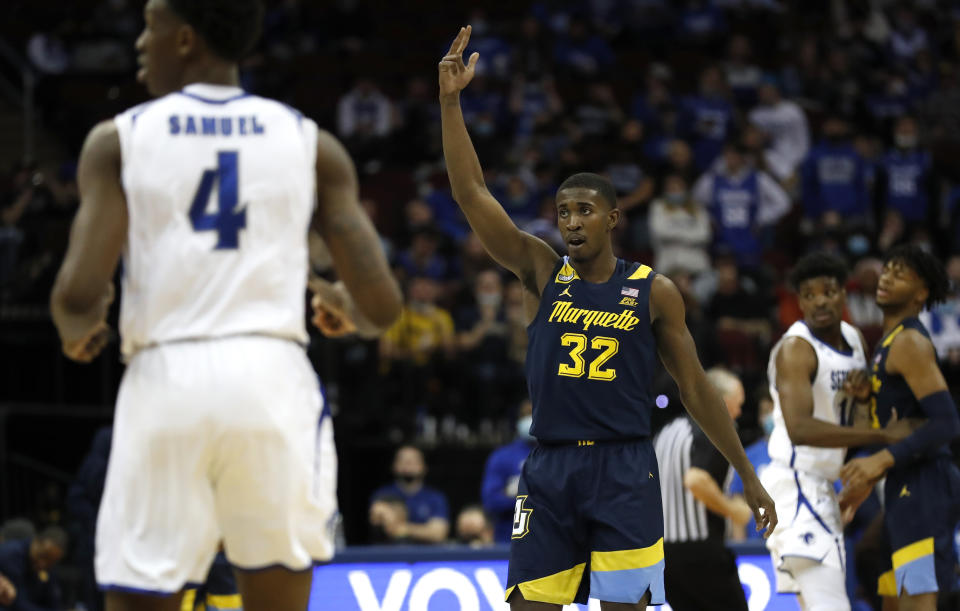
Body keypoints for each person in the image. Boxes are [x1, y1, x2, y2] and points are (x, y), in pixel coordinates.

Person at [48, 2, 401, 611]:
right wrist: (348, 309)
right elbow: (383, 305)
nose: (139, 42)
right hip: (271, 381)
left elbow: (77, 295)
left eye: (150, 24)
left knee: (141, 598)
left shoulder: (119, 140)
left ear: (185, 40)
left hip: (166, 380)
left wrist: (79, 328)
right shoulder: (312, 142)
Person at [439, 26, 776, 610]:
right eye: (563, 211)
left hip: (625, 468)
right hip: (550, 466)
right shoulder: (539, 270)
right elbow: (472, 193)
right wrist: (450, 103)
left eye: (585, 211)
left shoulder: (653, 290)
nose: (571, 221)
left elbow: (696, 388)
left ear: (613, 218)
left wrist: (746, 473)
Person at [762, 252, 914, 611]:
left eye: (828, 291)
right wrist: (884, 437)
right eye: (809, 295)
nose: (819, 302)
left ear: (843, 294)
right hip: (796, 485)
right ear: (799, 301)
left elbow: (857, 422)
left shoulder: (854, 338)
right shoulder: (795, 349)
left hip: (825, 488)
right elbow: (799, 429)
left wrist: (862, 402)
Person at [841, 245, 960, 611]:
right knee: (891, 601)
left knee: (915, 604)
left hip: (924, 486)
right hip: (901, 485)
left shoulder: (909, 341)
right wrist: (862, 403)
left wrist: (881, 461)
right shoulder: (886, 344)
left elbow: (946, 422)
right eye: (887, 269)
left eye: (900, 273)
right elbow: (889, 429)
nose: (887, 277)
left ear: (922, 292)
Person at [654, 367, 752, 611]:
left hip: (664, 556)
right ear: (717, 399)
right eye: (735, 404)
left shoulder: (666, 431)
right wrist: (733, 510)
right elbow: (696, 480)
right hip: (700, 551)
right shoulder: (712, 427)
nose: (738, 412)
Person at [369, 445, 450, 544]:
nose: (407, 464)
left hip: (425, 555)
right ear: (394, 466)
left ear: (424, 467)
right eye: (402, 461)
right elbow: (380, 522)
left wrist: (405, 528)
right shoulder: (381, 494)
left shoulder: (435, 497)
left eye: (413, 461)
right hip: (390, 553)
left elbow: (438, 533)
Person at [482, 399, 536, 543]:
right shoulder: (502, 456)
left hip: (548, 539)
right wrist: (537, 496)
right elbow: (491, 501)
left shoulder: (556, 454)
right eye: (525, 415)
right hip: (508, 539)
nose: (529, 418)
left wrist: (516, 493)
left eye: (533, 413)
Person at [0, 526, 68, 611]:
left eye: (50, 562)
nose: (42, 564)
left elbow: (54, 601)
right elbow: (17, 604)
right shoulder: (10, 555)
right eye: (42, 556)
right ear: (36, 542)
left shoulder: (49, 566)